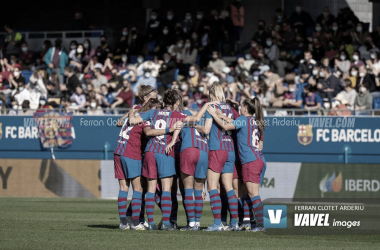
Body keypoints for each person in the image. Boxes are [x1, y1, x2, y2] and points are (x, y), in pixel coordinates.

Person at [130, 89, 212, 230]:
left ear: (163, 102)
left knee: (150, 189)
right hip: (165, 151)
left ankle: (151, 224)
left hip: (150, 151)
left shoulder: (153, 112)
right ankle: (167, 223)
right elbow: (196, 119)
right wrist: (207, 105)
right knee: (167, 189)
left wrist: (131, 110)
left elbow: (132, 121)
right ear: (176, 103)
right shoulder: (176, 115)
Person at [114, 98, 177, 230]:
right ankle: (136, 223)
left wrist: (131, 111)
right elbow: (148, 132)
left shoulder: (135, 112)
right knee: (138, 189)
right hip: (131, 153)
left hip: (118, 151)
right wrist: (169, 129)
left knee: (123, 188)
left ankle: (123, 223)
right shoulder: (146, 119)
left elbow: (120, 122)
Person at [207, 97, 266, 232]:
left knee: (253, 194)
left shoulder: (244, 119)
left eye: (242, 106)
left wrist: (213, 114)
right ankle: (249, 222)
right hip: (256, 158)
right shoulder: (253, 121)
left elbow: (227, 126)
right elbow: (233, 122)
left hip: (250, 160)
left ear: (245, 108)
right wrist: (221, 115)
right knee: (247, 193)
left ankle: (261, 225)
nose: (240, 108)